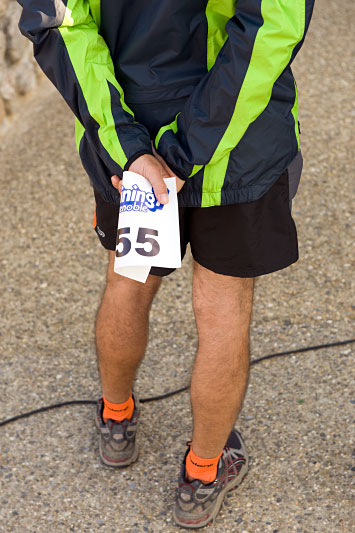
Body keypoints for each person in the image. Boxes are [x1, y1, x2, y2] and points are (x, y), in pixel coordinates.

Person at [18, 0, 314, 527]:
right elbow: (272, 24)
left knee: (129, 279)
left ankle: (116, 419)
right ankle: (203, 473)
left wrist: (132, 149)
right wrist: (182, 153)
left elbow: (58, 24)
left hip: (130, 131)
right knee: (222, 308)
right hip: (236, 142)